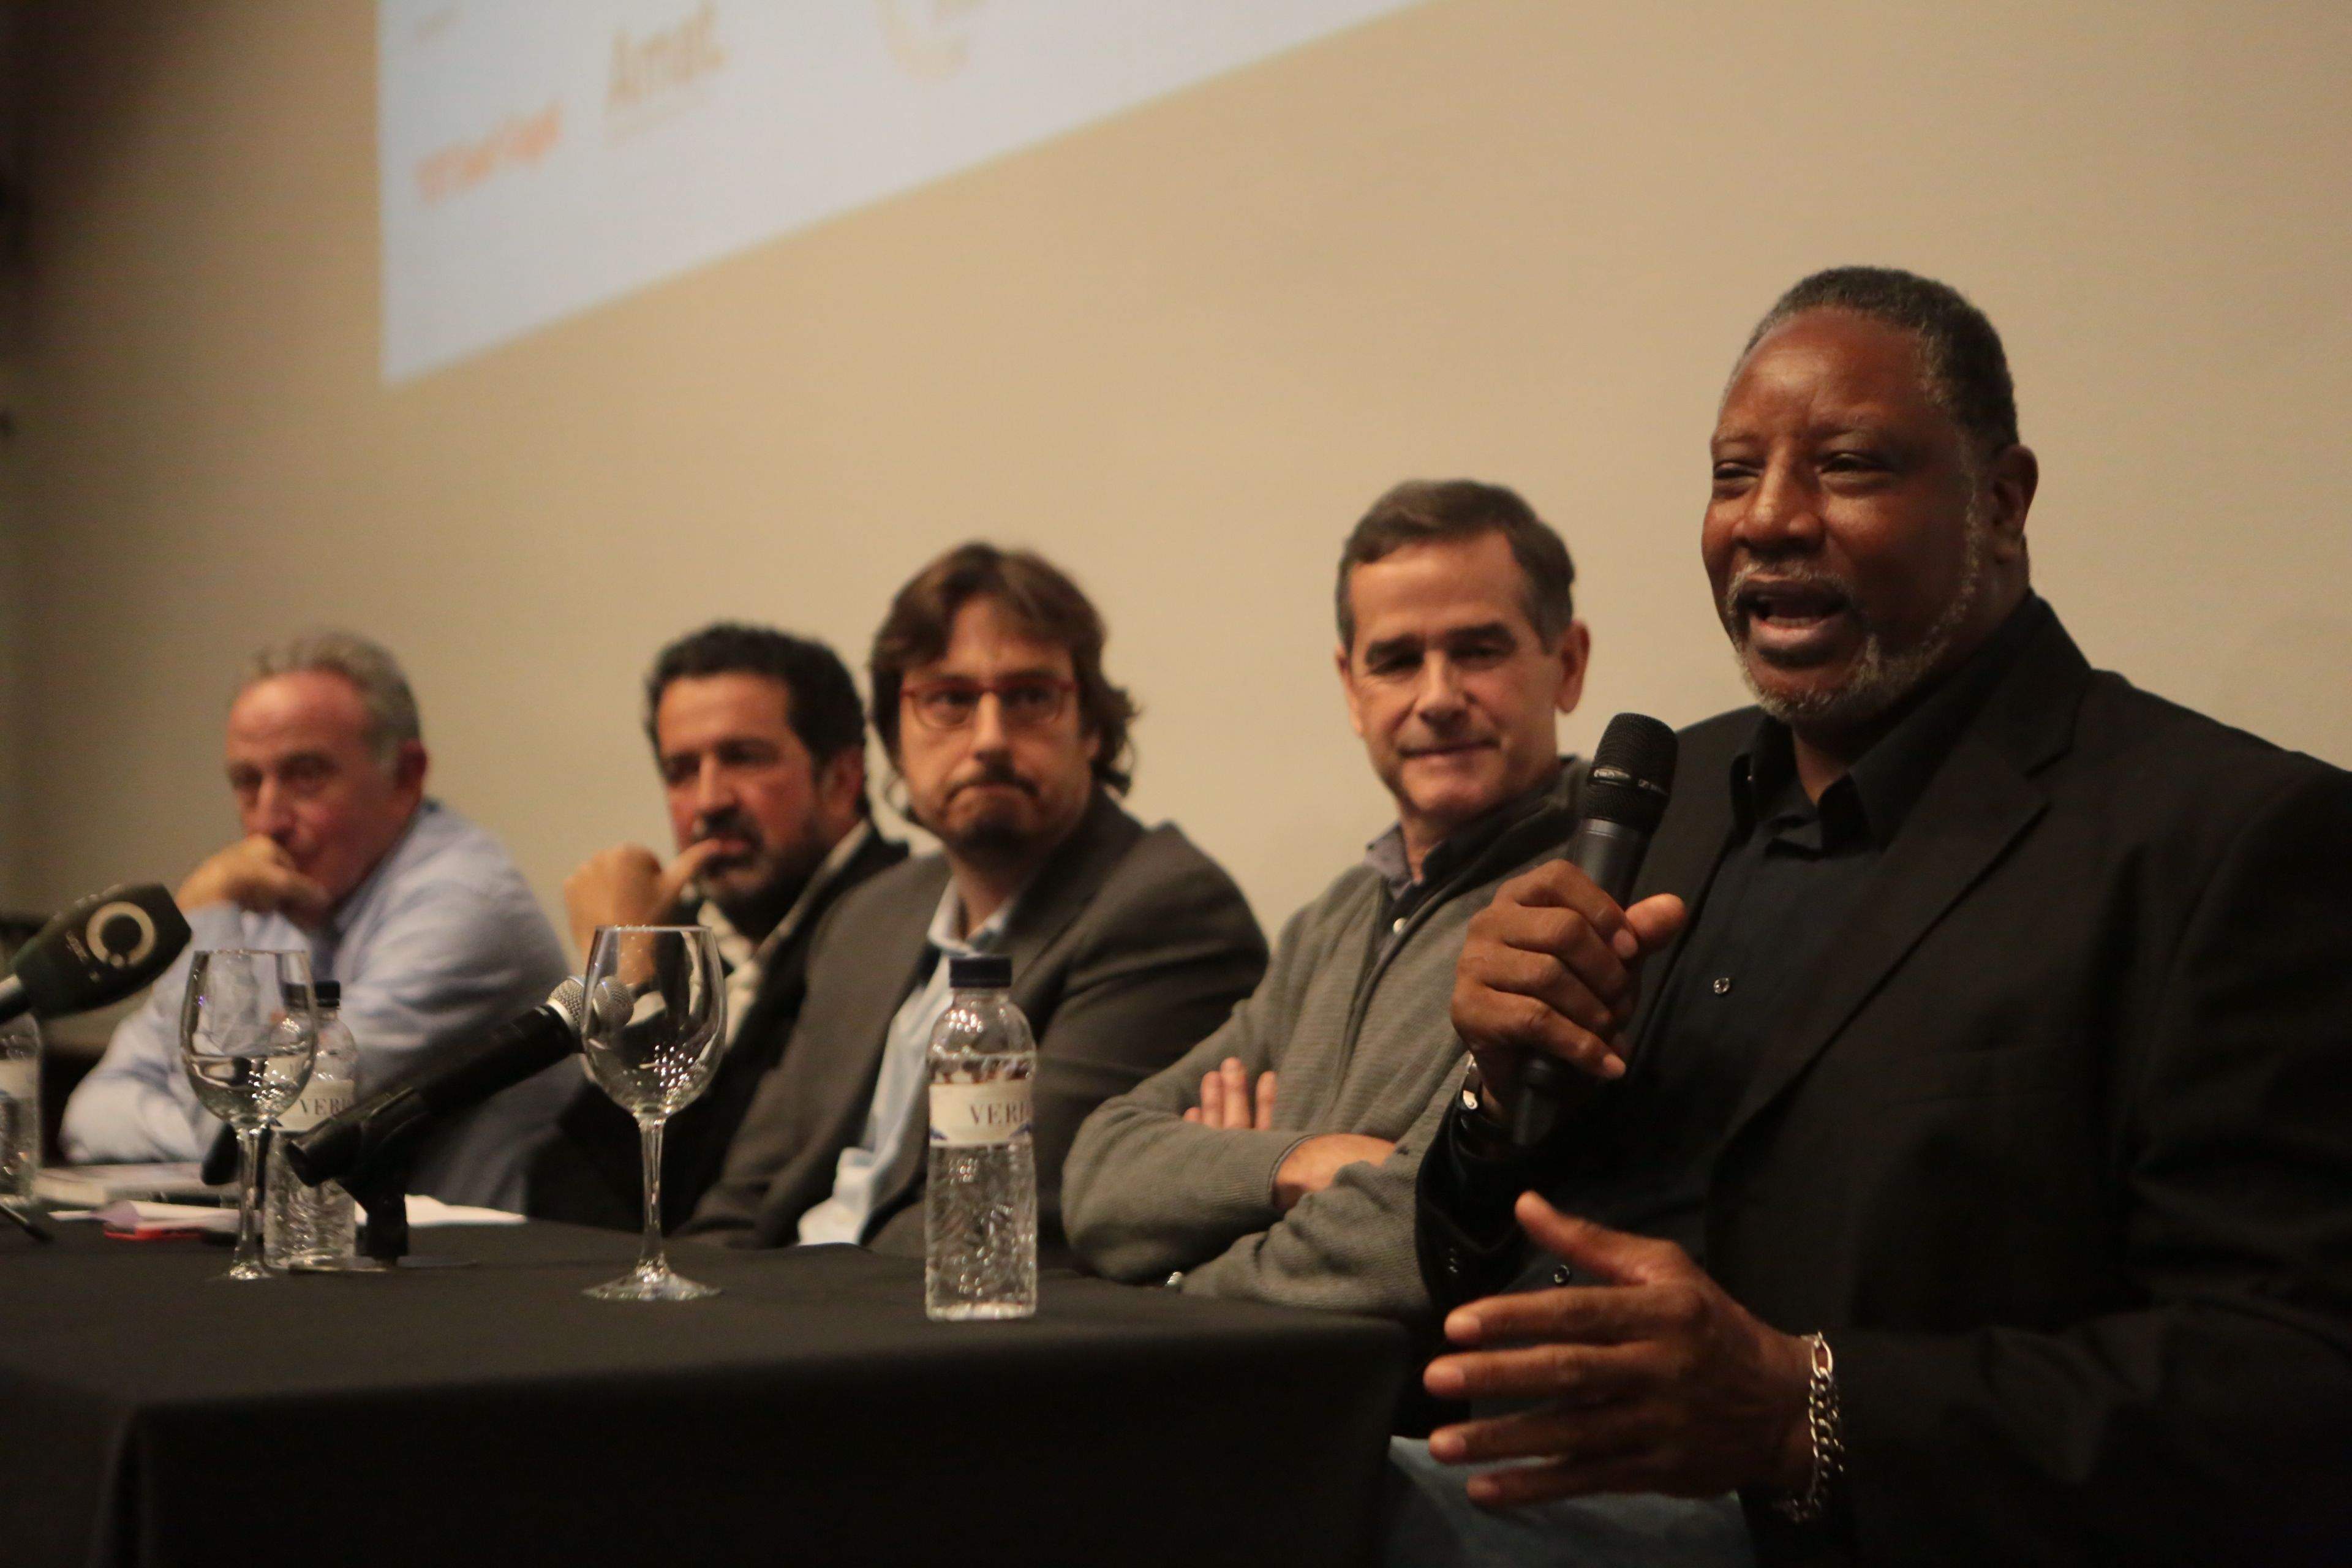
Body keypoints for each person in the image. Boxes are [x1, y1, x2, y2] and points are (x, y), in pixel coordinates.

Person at [1396, 266, 2352, 1567]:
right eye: (1734, 475)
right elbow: (1488, 1261)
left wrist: (1804, 1410)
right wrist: (1495, 1101)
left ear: (2001, 502)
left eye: (1846, 466)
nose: (1771, 520)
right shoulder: (1667, 799)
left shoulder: (2226, 838)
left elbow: (2289, 1378)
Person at [1063, 480, 1590, 1317]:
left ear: (1567, 664)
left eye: (1479, 650)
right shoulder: (1333, 920)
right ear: (1352, 688)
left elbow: (1407, 1239)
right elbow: (1097, 1175)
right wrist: (1296, 1163)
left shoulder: (1586, 897)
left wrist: (1191, 1262)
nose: (1438, 695)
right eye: (1396, 660)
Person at [682, 543, 1267, 1253]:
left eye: (1030, 697)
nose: (989, 739)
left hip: (932, 1336)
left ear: (1091, 728)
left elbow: (997, 1217)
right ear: (894, 741)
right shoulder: (872, 914)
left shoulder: (1167, 911)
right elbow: (746, 1193)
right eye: (949, 701)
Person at [61, 631, 571, 1210]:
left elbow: (258, 1139)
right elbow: (92, 1112)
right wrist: (228, 1131)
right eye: (248, 782)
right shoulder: (270, 896)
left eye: (305, 775)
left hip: (468, 1278)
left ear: (406, 777)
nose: (268, 820)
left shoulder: (468, 907)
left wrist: (202, 913)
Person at [526, 624, 908, 1231]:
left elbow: (701, 1190)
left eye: (743, 758)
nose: (707, 800)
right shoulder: (693, 939)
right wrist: (633, 968)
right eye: (681, 770)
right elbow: (565, 1188)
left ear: (842, 779)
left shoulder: (894, 926)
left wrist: (623, 971)